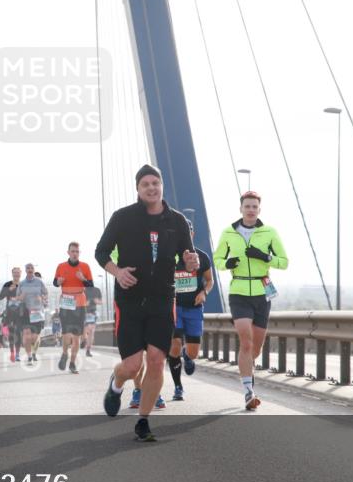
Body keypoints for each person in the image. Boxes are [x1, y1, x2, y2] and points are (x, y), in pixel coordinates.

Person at [96, 164, 198, 442]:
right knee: (131, 366)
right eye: (145, 184)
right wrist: (117, 272)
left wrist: (191, 263)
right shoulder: (123, 218)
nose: (151, 188)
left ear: (161, 185)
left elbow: (187, 260)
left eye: (155, 183)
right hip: (129, 301)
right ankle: (116, 384)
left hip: (163, 299)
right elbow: (101, 251)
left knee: (155, 361)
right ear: (138, 189)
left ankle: (143, 420)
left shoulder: (176, 221)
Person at [213, 190, 289, 412]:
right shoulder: (228, 232)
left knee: (255, 348)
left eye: (254, 206)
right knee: (245, 341)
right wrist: (227, 263)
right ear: (241, 209)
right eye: (247, 206)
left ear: (259, 209)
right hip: (238, 291)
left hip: (261, 291)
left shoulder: (269, 232)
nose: (251, 210)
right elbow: (217, 259)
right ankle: (248, 391)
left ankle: (249, 371)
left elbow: (284, 262)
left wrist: (264, 257)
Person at [169, 219, 213, 401]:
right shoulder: (170, 256)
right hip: (174, 308)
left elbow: (209, 280)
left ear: (192, 234)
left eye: (188, 232)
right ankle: (178, 387)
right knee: (174, 346)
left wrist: (204, 292)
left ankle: (188, 356)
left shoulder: (202, 257)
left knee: (193, 352)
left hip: (194, 309)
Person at [54, 242, 94, 374]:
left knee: (76, 336)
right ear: (68, 252)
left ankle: (72, 363)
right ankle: (65, 353)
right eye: (73, 251)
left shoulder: (85, 266)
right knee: (66, 334)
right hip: (66, 302)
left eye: (77, 251)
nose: (75, 253)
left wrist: (83, 279)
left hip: (80, 303)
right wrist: (58, 282)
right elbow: (55, 282)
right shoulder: (61, 266)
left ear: (79, 253)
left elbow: (90, 285)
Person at [18, 263, 49, 363]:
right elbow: (17, 298)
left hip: (37, 311)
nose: (30, 269)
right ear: (25, 270)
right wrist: (21, 297)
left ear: (34, 270)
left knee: (35, 337)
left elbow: (46, 293)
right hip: (26, 312)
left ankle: (32, 349)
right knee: (27, 335)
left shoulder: (39, 282)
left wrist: (42, 299)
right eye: (28, 268)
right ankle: (29, 356)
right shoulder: (22, 283)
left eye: (32, 268)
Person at [0, 267, 25, 362]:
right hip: (9, 312)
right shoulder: (7, 284)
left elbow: (27, 297)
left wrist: (19, 298)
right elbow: (1, 296)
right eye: (15, 273)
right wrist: (9, 290)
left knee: (18, 332)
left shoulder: (23, 284)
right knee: (11, 333)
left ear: (21, 274)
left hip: (20, 312)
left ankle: (17, 354)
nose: (16, 274)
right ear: (12, 274)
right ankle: (12, 353)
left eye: (18, 273)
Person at [83, 285, 102, 357]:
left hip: (93, 313)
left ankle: (88, 349)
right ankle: (84, 340)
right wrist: (85, 303)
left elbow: (100, 301)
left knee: (91, 331)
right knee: (85, 331)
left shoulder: (97, 290)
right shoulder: (82, 290)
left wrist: (97, 301)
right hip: (84, 312)